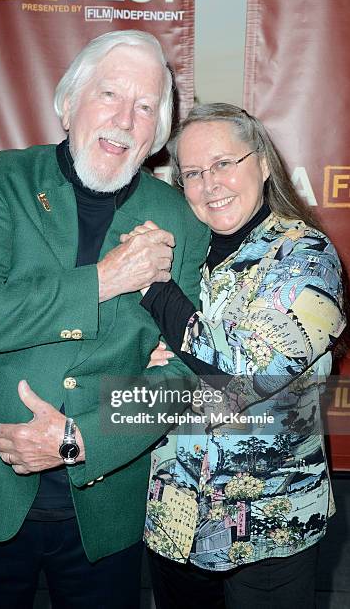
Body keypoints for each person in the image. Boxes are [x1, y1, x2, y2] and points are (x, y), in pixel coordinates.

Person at [0, 31, 210, 608]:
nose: (125, 118)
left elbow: (185, 377)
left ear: (156, 134)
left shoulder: (182, 219)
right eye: (109, 94)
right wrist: (103, 280)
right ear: (67, 104)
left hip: (105, 510)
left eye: (146, 106)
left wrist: (78, 440)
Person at [123, 103, 347, 608]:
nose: (210, 184)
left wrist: (157, 291)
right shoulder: (183, 253)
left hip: (271, 524)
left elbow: (248, 367)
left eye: (225, 163)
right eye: (194, 173)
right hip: (174, 513)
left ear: (263, 163)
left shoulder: (305, 255)